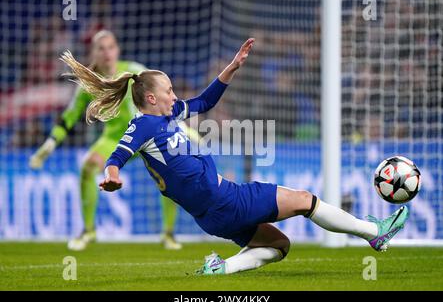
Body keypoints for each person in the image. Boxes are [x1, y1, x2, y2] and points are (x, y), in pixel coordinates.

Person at [59, 38, 409, 275]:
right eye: (168, 90)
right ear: (151, 98)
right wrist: (112, 173)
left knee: (279, 245)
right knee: (304, 200)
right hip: (226, 200)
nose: (174, 94)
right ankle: (372, 232)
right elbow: (118, 154)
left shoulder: (168, 116)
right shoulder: (145, 125)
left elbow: (204, 102)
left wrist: (233, 67)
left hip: (211, 215)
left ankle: (221, 268)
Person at [29, 30, 186, 251]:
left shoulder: (135, 71)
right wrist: (51, 143)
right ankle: (89, 231)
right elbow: (71, 115)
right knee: (88, 167)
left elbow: (164, 97)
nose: (107, 53)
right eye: (101, 48)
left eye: (111, 47)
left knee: (170, 173)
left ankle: (168, 234)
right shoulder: (89, 84)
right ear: (93, 52)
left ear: (117, 50)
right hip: (115, 139)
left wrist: (180, 125)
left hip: (147, 135)